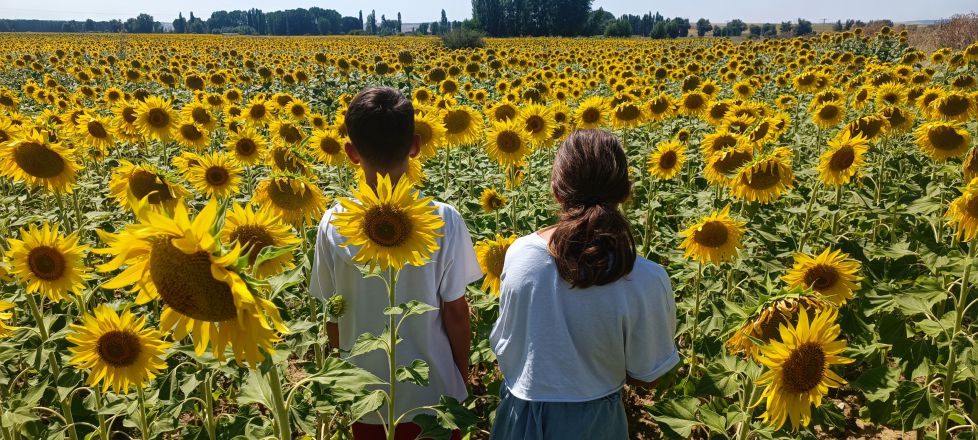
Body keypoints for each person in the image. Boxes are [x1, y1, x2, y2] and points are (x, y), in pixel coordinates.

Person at [309, 87, 481, 440]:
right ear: (415, 145)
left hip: (366, 396)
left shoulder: (333, 222)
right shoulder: (444, 219)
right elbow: (456, 313)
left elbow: (333, 315)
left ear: (351, 152)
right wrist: (460, 378)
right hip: (434, 396)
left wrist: (346, 375)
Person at [489, 129, 679, 440]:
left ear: (556, 191)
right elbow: (648, 375)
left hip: (519, 416)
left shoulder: (520, 255)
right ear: (625, 193)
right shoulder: (646, 278)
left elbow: (507, 343)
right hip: (595, 422)